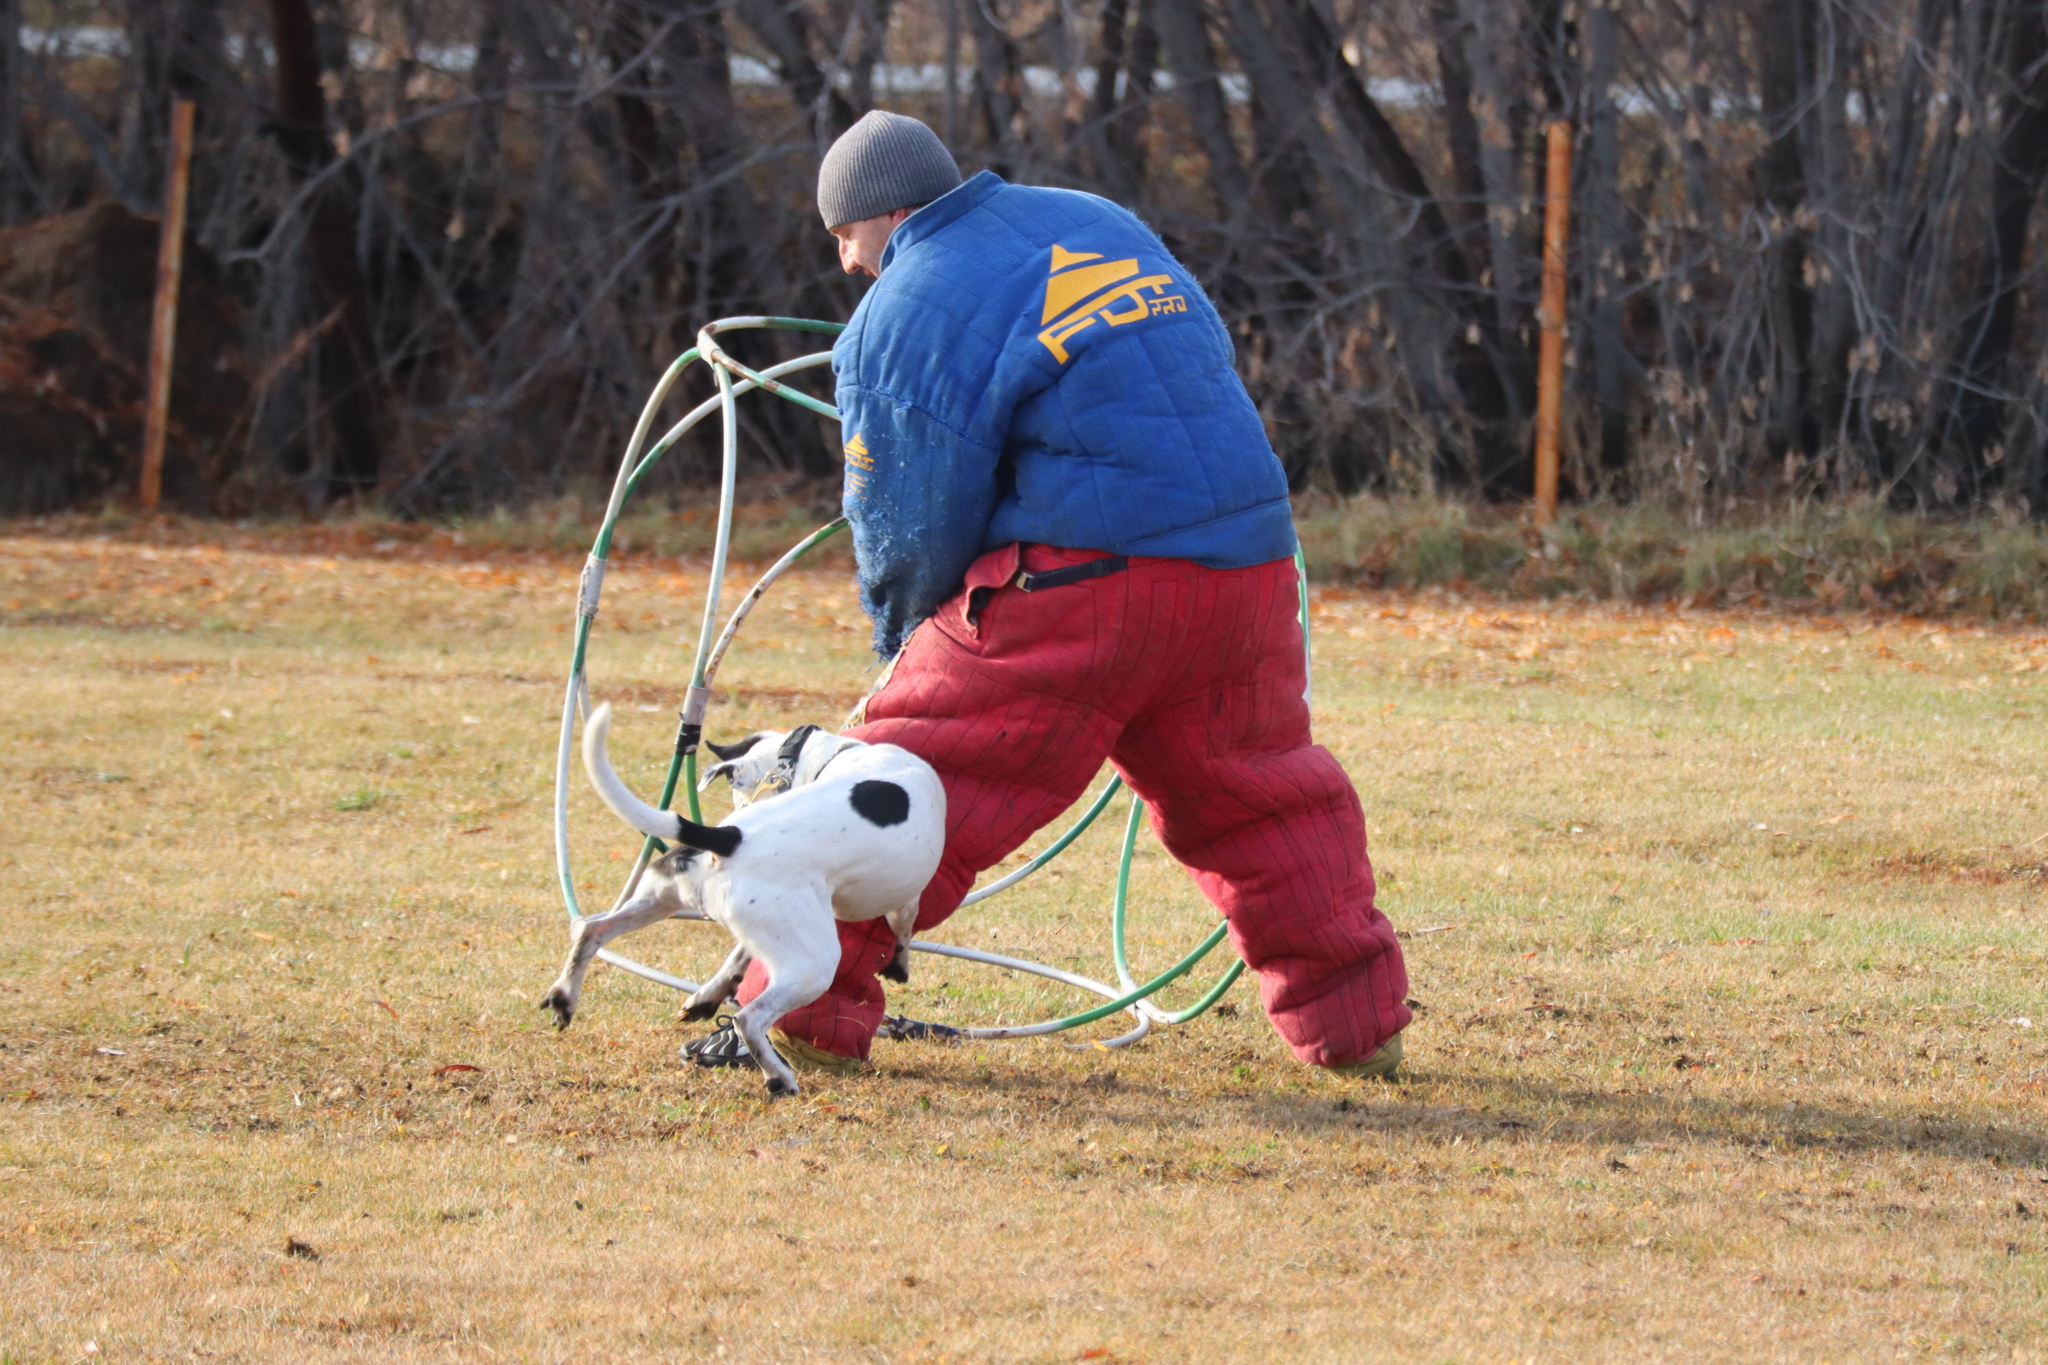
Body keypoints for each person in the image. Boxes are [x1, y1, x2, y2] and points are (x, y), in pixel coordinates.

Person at [688, 111, 1410, 1081]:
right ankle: (1359, 1027)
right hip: (1242, 567)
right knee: (1261, 800)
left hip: (1082, 586)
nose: (850, 265)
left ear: (885, 213)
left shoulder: (902, 310)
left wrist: (904, 638)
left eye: (844, 238)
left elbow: (910, 514)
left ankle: (801, 1020)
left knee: (908, 786)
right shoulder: (1094, 221)